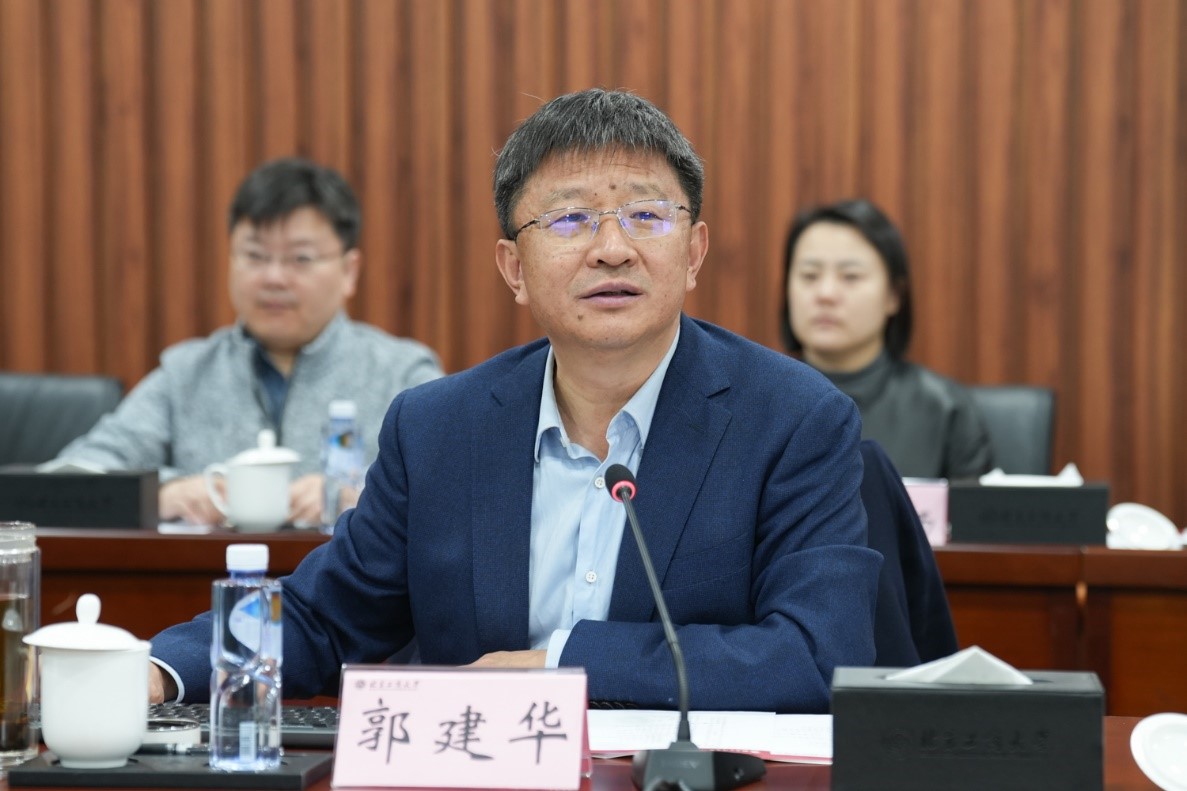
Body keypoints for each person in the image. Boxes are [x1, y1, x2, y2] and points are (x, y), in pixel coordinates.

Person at [149, 90, 882, 713]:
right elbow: (322, 618)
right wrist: (160, 671)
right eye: (568, 220)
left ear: (693, 252)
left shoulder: (792, 419)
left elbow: (817, 654)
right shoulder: (437, 429)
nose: (612, 248)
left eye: (647, 216)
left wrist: (563, 664)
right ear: (514, 269)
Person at [55, 158, 443, 525]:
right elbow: (66, 479)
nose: (273, 278)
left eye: (300, 259)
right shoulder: (185, 374)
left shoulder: (403, 374)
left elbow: (451, 492)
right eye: (255, 256)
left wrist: (357, 496)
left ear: (349, 272)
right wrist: (163, 493)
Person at [781, 198, 993, 480]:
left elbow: (974, 509)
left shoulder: (946, 410)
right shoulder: (755, 401)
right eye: (809, 276)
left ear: (894, 296)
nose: (826, 294)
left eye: (851, 276)